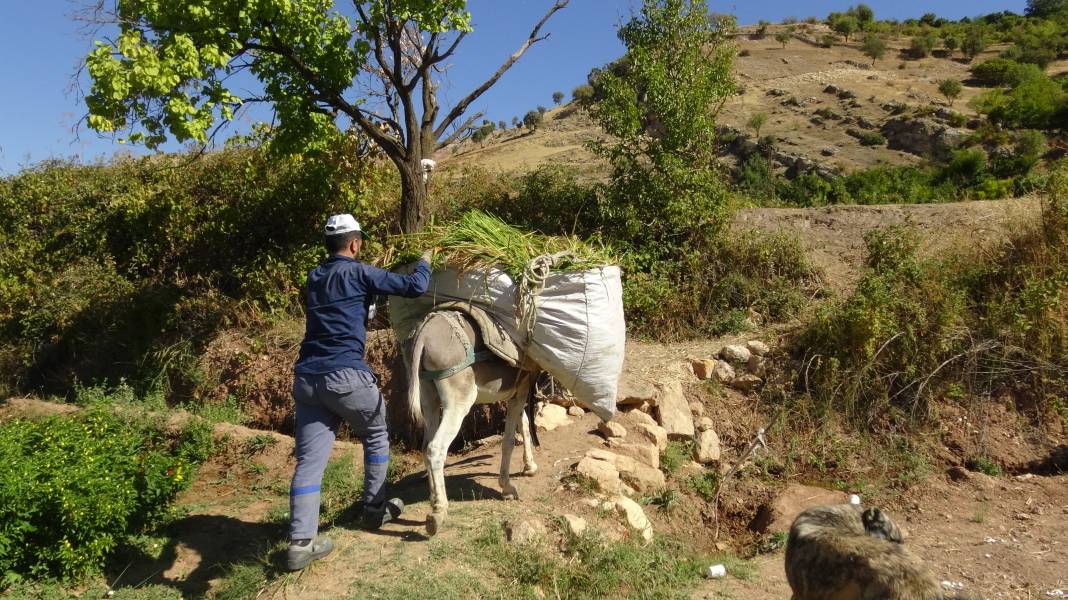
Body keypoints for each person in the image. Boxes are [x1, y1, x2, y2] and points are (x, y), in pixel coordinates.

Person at [286, 213, 432, 571]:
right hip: (345, 375)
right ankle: (374, 510)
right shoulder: (360, 272)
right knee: (377, 433)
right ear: (354, 244)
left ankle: (300, 545)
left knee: (309, 462)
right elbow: (414, 286)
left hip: (307, 379)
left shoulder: (314, 276)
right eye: (360, 242)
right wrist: (425, 261)